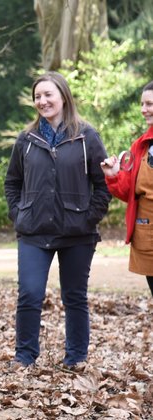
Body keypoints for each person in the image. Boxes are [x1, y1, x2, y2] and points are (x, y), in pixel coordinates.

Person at [4, 71, 110, 369]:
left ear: (63, 96)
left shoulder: (87, 136)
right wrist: (19, 213)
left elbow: (103, 185)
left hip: (77, 233)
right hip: (34, 232)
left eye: (48, 94)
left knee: (75, 297)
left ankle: (76, 357)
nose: (42, 101)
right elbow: (12, 183)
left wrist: (89, 219)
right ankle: (25, 357)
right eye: (38, 96)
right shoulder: (26, 139)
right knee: (29, 294)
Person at [101, 81, 153, 297]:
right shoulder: (140, 146)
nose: (143, 109)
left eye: (149, 104)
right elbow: (128, 192)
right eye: (142, 104)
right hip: (147, 231)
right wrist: (113, 175)